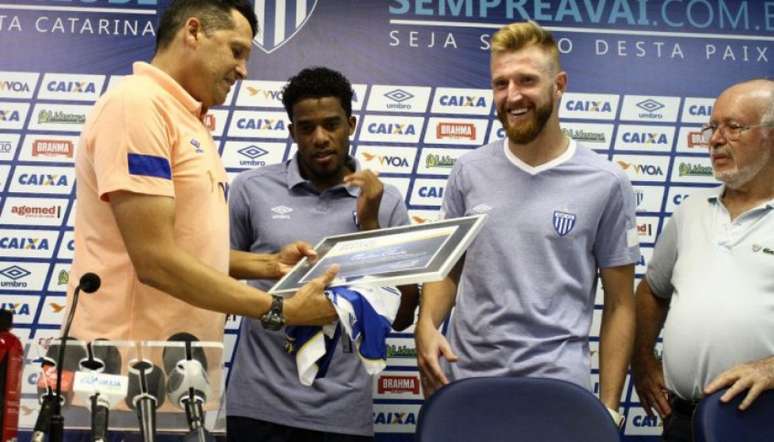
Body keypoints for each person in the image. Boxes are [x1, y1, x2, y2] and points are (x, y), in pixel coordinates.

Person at [66, 0, 337, 345]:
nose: (243, 71)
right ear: (193, 32)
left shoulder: (186, 117)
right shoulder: (136, 104)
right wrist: (279, 308)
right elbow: (155, 259)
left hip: (177, 366)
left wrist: (267, 265)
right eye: (236, 51)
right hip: (125, 366)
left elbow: (190, 250)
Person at [414, 20, 639, 424]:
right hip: (467, 383)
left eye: (526, 81)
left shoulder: (606, 181)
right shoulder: (467, 172)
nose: (512, 96)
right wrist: (427, 324)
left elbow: (621, 304)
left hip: (559, 391)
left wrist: (608, 407)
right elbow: (447, 269)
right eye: (500, 84)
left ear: (560, 84)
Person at [226, 67, 418, 442]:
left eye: (331, 125)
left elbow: (402, 315)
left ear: (351, 123)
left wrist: (371, 224)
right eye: (306, 128)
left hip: (342, 412)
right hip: (258, 405)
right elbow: (216, 272)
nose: (320, 138)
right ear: (291, 131)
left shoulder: (386, 200)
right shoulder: (251, 189)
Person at [632, 78, 774, 441]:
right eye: (712, 127)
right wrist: (644, 361)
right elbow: (651, 292)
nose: (714, 139)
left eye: (734, 127)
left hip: (761, 422)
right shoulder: (689, 213)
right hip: (682, 420)